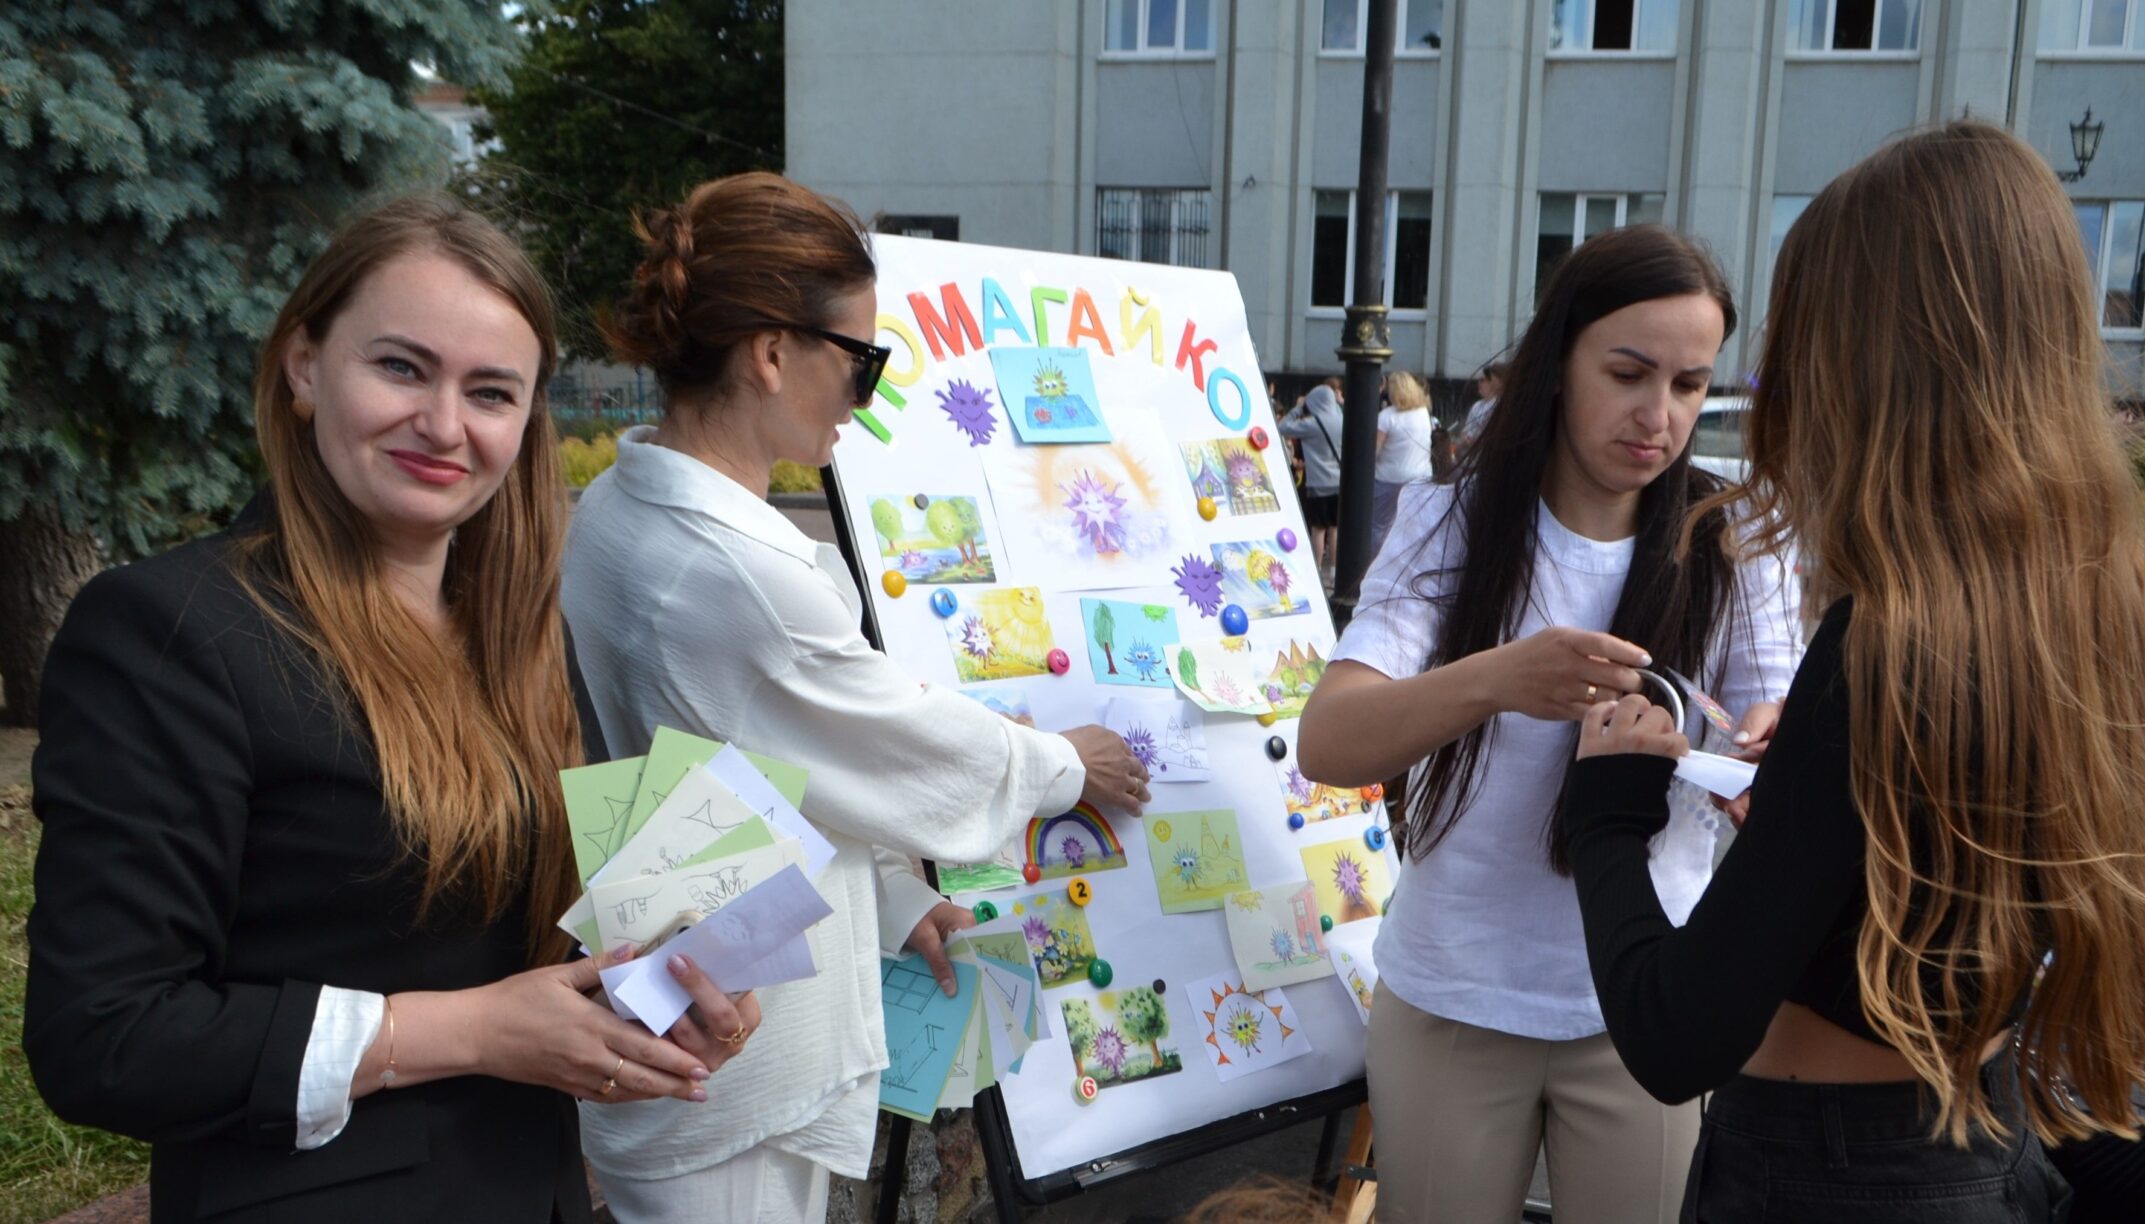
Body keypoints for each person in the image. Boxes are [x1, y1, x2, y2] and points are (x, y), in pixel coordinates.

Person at [23, 196, 757, 1223]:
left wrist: (668, 997)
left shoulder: (525, 636)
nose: (445, 425)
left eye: (490, 391)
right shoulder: (170, 629)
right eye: (402, 368)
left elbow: (527, 949)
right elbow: (103, 1037)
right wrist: (471, 1032)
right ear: (304, 367)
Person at [1562, 122, 2145, 1221]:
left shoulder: (1886, 642)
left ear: (1869, 360)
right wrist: (1803, 809)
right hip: (1975, 1134)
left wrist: (1608, 812)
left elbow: (1675, 1037)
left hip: (1828, 1171)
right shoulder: (2090, 592)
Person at [563, 171, 1151, 1223]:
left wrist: (892, 897)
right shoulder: (727, 569)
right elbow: (894, 739)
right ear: (770, 353)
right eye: (861, 361)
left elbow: (747, 763)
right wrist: (1069, 766)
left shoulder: (621, 501)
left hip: (692, 986)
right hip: (725, 1046)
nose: (864, 396)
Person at [1299, 224, 1802, 1223]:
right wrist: (1497, 678)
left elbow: (1769, 717)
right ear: (1558, 361)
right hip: (1453, 996)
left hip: (1647, 1000)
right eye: (1628, 373)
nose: (1658, 416)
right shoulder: (1453, 522)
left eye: (1690, 385)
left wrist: (1764, 747)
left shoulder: (1734, 537)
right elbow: (1331, 741)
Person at [1278, 376, 1346, 581]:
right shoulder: (1341, 419)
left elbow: (1283, 427)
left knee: (1318, 529)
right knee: (1334, 529)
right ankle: (1334, 570)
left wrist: (1299, 407)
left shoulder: (1311, 424)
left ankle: (1316, 571)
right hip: (1339, 481)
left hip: (1317, 482)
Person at [1371, 369, 1437, 547]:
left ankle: (1378, 560)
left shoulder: (1386, 417)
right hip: (1420, 477)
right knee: (1414, 525)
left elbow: (1374, 451)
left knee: (1379, 526)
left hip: (1388, 477)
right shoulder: (1423, 412)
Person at [1457, 361, 1506, 452]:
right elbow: (1465, 431)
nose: (1479, 383)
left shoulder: (1500, 404)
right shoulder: (1477, 406)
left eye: (1482, 380)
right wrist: (1465, 440)